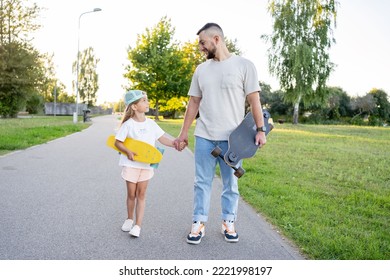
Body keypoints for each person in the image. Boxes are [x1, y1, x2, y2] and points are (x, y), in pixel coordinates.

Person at [174, 23, 267, 245]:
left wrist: (261, 130)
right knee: (201, 182)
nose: (200, 48)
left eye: (203, 43)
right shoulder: (201, 70)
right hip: (205, 136)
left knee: (231, 184)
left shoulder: (244, 65)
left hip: (233, 139)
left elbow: (254, 101)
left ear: (216, 39)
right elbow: (194, 102)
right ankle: (198, 222)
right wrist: (184, 132)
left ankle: (228, 221)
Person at [115, 90, 176, 237]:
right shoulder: (128, 125)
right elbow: (118, 142)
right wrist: (128, 152)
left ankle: (137, 226)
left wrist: (176, 144)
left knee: (141, 194)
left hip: (146, 165)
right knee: (131, 194)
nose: (147, 102)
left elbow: (162, 139)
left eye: (146, 100)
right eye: (144, 100)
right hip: (131, 165)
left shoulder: (151, 124)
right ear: (134, 107)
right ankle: (129, 219)